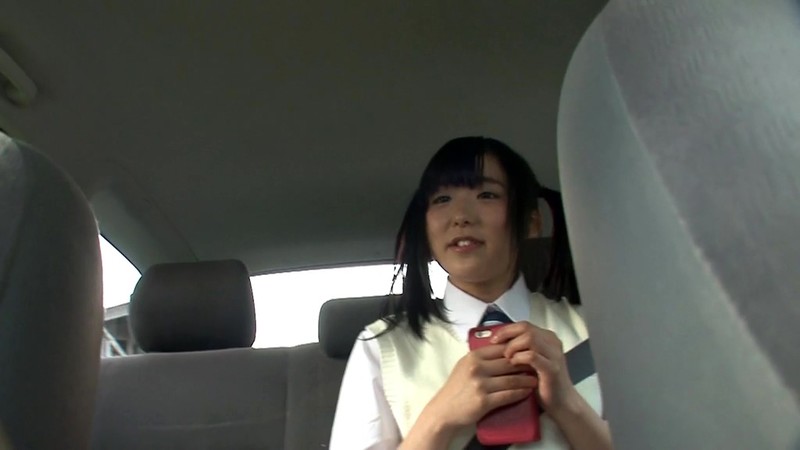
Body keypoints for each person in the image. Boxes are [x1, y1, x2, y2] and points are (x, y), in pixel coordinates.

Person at [329, 137, 612, 450]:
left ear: (530, 223)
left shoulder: (593, 334)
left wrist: (568, 404)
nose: (460, 216)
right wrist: (439, 418)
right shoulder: (382, 348)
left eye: (486, 195)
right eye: (442, 199)